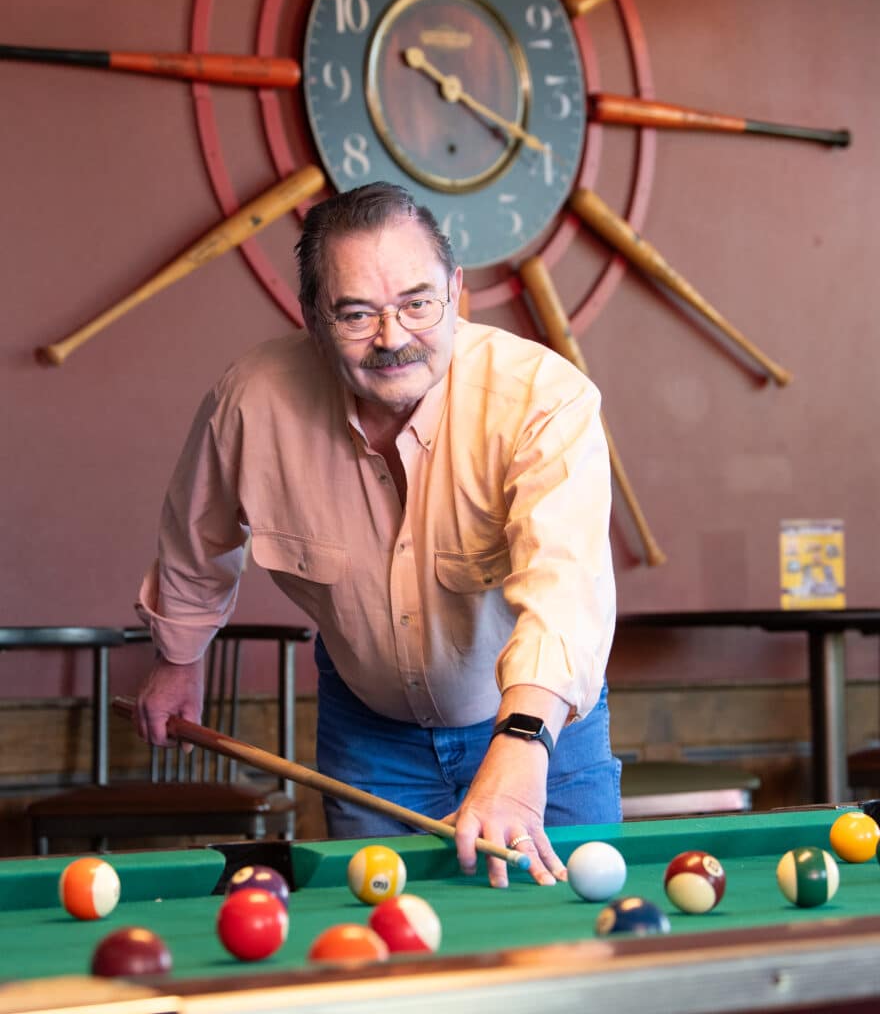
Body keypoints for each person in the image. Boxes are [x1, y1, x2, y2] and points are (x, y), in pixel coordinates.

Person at [134, 181, 620, 889]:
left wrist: (519, 743)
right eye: (356, 313)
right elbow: (194, 533)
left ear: (457, 290)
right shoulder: (252, 400)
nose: (392, 339)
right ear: (311, 316)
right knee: (387, 964)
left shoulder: (543, 398)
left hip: (545, 732)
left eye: (418, 303)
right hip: (370, 735)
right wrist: (179, 658)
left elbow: (565, 589)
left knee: (578, 951)